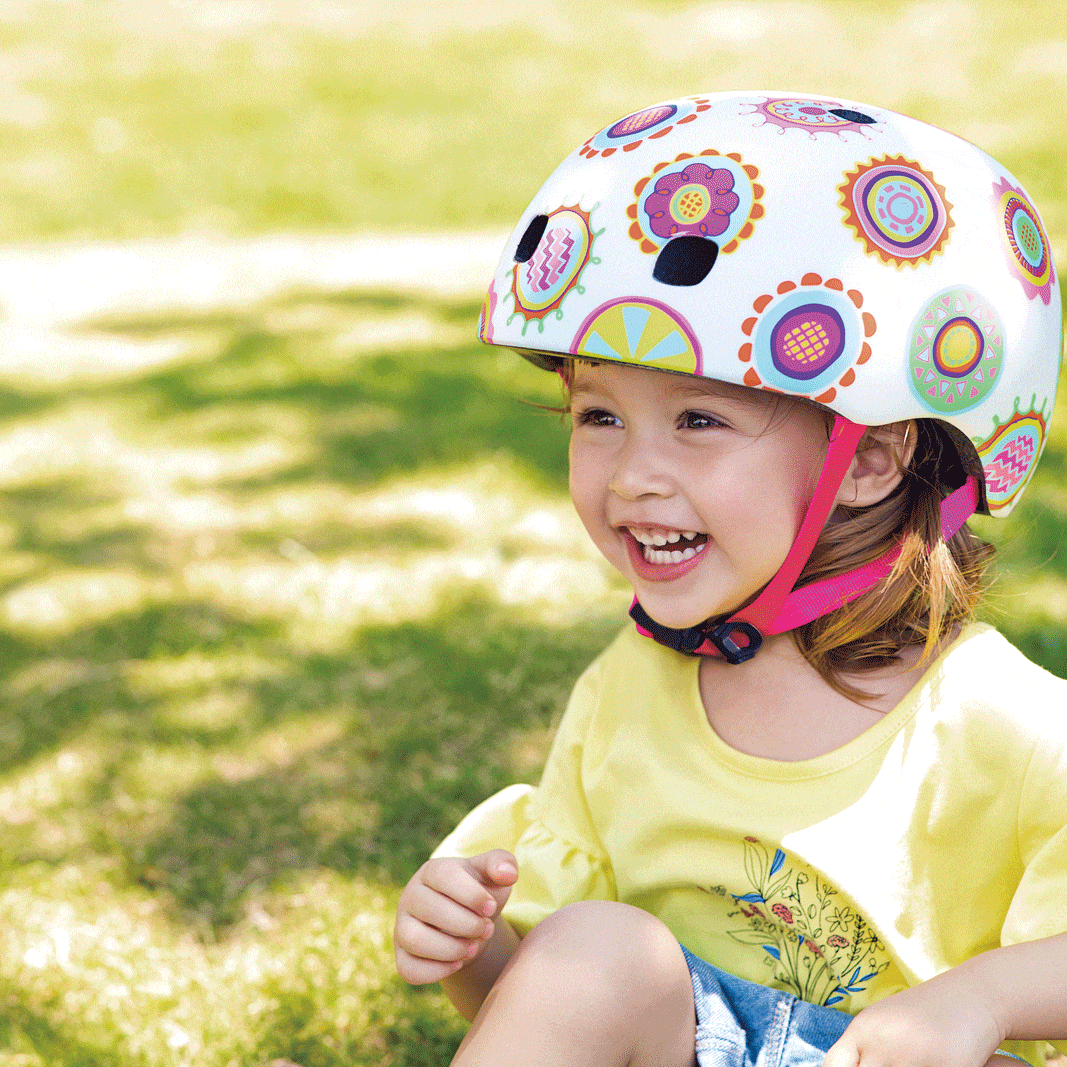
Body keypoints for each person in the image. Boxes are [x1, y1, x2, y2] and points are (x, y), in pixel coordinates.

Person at [393, 91, 1067, 1066]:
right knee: (594, 945)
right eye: (598, 416)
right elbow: (558, 1011)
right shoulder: (625, 693)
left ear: (869, 459)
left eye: (697, 420)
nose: (631, 475)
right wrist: (474, 949)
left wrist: (977, 1000)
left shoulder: (1004, 723)